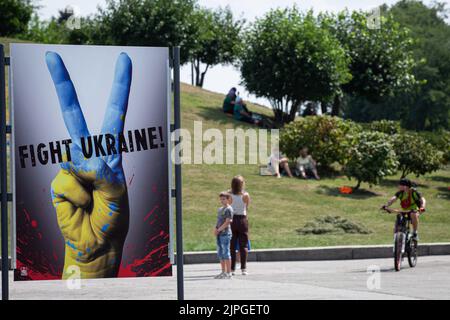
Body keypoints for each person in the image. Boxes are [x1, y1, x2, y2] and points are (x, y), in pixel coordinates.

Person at [229, 175, 250, 275]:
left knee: (232, 245)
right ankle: (243, 268)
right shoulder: (245, 195)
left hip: (232, 219)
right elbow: (247, 206)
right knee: (244, 245)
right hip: (242, 219)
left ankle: (232, 269)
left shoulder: (229, 195)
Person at [214, 192, 234, 279]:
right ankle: (223, 271)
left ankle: (229, 272)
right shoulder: (220, 209)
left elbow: (227, 222)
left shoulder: (229, 209)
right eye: (221, 199)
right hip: (219, 233)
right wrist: (216, 228)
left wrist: (219, 230)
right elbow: (218, 221)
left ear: (228, 199)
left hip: (225, 233)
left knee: (226, 252)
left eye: (224, 199)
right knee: (220, 253)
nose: (222, 201)